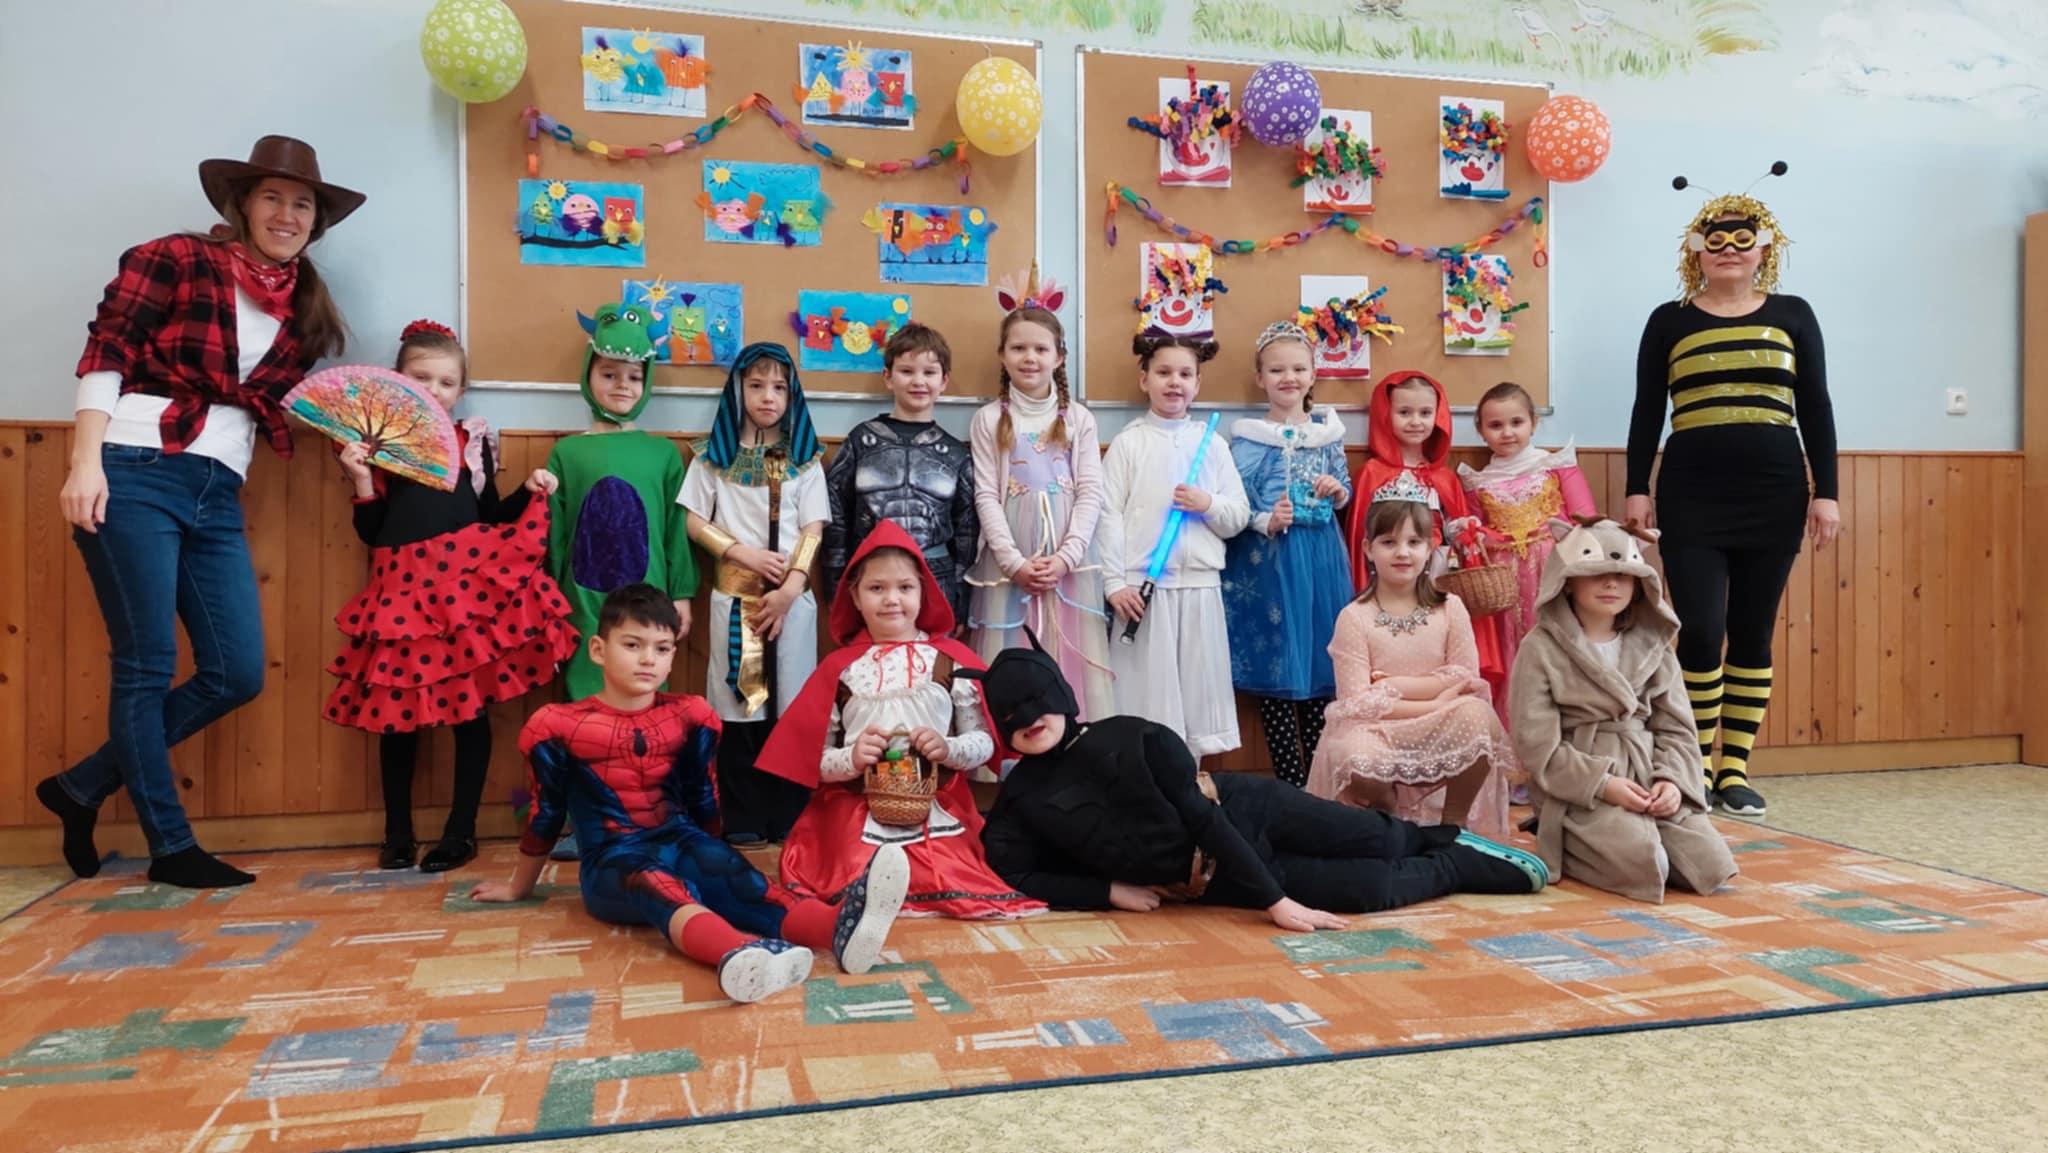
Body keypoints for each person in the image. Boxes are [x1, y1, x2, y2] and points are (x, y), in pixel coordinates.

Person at [40, 135, 363, 888]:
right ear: (242, 203)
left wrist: (356, 436)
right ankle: (170, 846)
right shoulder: (177, 257)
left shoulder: (305, 301)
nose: (286, 214)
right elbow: (107, 351)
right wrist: (84, 462)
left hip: (217, 488)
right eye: (272, 197)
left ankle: (82, 785)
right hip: (134, 468)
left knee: (236, 671)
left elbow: (279, 401)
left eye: (302, 204)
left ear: (315, 222)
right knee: (146, 664)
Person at [469, 584, 911, 1002]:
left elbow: (703, 797)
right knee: (658, 883)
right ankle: (737, 953)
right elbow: (546, 813)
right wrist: (519, 887)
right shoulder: (555, 725)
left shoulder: (690, 714)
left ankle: (837, 928)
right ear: (599, 650)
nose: (648, 659)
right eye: (632, 645)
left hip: (678, 841)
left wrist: (711, 859)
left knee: (730, 872)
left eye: (662, 649)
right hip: (611, 864)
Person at [972, 634, 1549, 927]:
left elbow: (1202, 817)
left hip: (1245, 811)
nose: (1029, 719)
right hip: (1211, 880)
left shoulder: (1133, 736)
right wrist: (1106, 892)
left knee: (1379, 839)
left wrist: (1276, 903)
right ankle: (1456, 864)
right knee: (1371, 890)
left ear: (1061, 695)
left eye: (1036, 701)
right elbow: (1014, 871)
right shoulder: (1020, 800)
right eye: (1011, 714)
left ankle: (1436, 837)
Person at [1625, 175, 1839, 818]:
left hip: (1775, 490)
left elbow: (1817, 405)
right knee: (1700, 630)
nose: (1728, 250)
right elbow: (1647, 407)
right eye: (1714, 239)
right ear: (1695, 249)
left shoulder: (1794, 314)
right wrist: (1636, 487)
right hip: (1691, 492)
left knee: (1752, 629)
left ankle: (1734, 770)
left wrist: (1826, 492)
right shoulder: (1669, 319)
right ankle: (1690, 765)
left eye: (1742, 239)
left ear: (1763, 248)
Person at [326, 320, 575, 872]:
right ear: (397, 380)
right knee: (397, 714)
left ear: (461, 390)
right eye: (421, 378)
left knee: (469, 711)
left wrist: (527, 491)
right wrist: (362, 481)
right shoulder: (377, 444)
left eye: (445, 382)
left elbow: (488, 518)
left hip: (461, 593)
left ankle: (461, 831)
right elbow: (373, 532)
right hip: (400, 592)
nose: (433, 391)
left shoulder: (472, 442)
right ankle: (397, 832)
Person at [756, 521, 1046, 920]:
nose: (892, 599)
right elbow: (816, 760)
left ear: (923, 593)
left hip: (936, 801)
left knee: (943, 867)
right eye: (876, 588)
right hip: (856, 803)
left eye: (905, 587)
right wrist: (852, 758)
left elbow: (984, 741)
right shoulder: (841, 669)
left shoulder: (951, 661)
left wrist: (948, 749)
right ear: (854, 596)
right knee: (853, 865)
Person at [1508, 518, 1738, 903]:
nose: (1611, 584)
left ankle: (1648, 826)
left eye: (1622, 575)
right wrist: (1604, 785)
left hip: (1648, 774)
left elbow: (1677, 728)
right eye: (1596, 574)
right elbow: (1536, 744)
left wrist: (1672, 782)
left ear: (1638, 584)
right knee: (1647, 861)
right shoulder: (1540, 648)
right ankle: (1563, 838)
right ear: (1568, 580)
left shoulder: (1654, 644)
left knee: (1710, 862)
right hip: (1581, 787)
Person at [678, 342, 825, 842]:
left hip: (792, 602)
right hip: (736, 599)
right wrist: (742, 554)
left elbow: (813, 530)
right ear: (737, 390)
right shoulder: (712, 458)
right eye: (757, 385)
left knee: (791, 707)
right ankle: (742, 817)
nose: (768, 397)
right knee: (741, 707)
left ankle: (788, 816)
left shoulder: (806, 460)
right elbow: (694, 521)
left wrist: (790, 588)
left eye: (779, 387)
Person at [1307, 491, 1515, 838]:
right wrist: (1435, 700)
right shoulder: (1354, 617)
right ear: (1368, 549)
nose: (1402, 552)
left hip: (1440, 721)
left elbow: (1464, 677)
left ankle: (1453, 825)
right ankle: (1392, 818)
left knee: (1479, 715)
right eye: (1389, 542)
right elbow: (1356, 703)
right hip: (1378, 729)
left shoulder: (1450, 607)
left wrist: (1393, 686)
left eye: (1414, 542)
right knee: (1357, 757)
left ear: (1430, 548)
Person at [965, 270, 1114, 726]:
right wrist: (1013, 562)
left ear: (1059, 356)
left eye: (1040, 349)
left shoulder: (1079, 419)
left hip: (1070, 564)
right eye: (1018, 348)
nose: (1029, 357)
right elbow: (986, 496)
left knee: (1068, 655)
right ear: (1002, 355)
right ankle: (1012, 753)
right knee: (1014, 654)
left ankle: (1071, 748)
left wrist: (1067, 558)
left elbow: (1090, 492)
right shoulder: (988, 420)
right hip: (1011, 562)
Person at [533, 300, 696, 703]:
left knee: (644, 693)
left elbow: (675, 529)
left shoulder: (663, 454)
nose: (622, 385)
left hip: (650, 597)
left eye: (634, 377)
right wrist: (551, 600)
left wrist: (681, 594)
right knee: (588, 696)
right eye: (609, 374)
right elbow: (554, 536)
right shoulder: (566, 454)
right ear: (588, 376)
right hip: (582, 601)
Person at [1098, 334, 1250, 759]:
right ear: (1144, 379)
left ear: (1197, 383)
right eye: (1163, 372)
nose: (1174, 382)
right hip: (1142, 592)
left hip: (1200, 588)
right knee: (1145, 699)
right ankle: (1140, 785)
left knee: (1196, 703)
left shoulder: (1212, 444)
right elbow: (1106, 516)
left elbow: (1238, 515)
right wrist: (1114, 584)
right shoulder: (1130, 443)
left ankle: (1186, 783)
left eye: (1185, 374)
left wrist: (1208, 504)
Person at [1222, 322, 1351, 787]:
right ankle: (1289, 785)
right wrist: (1266, 518)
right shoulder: (1249, 439)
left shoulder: (1327, 434)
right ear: (1260, 378)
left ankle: (1318, 785)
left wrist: (1336, 490)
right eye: (1277, 370)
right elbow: (1235, 501)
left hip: (1321, 559)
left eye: (1298, 369)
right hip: (1272, 561)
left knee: (1319, 660)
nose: (1288, 378)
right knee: (1279, 663)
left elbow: (1344, 489)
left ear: (1313, 375)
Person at [1343, 369, 1504, 696]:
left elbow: (1454, 528)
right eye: (1405, 412)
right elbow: (1362, 536)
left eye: (1425, 413)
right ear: (1386, 415)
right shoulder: (1371, 473)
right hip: (1390, 578)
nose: (1415, 421)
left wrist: (1463, 530)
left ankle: (1436, 694)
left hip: (1437, 574)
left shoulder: (1444, 478)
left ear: (1438, 417)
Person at [1457, 381, 1597, 734]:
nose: (1507, 432)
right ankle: (1517, 743)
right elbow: (1475, 530)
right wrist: (1473, 533)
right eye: (1495, 425)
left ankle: (1568, 739)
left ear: (1534, 423)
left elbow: (1585, 519)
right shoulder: (1478, 481)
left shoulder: (1556, 465)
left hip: (1553, 573)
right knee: (1513, 653)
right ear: (1480, 430)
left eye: (1516, 422)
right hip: (1504, 586)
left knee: (1559, 647)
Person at [821, 322, 978, 631]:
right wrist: (835, 583)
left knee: (930, 661)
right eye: (906, 371)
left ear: (944, 380)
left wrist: (961, 601)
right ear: (888, 377)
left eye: (929, 372)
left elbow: (967, 533)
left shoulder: (956, 454)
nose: (918, 381)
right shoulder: (861, 442)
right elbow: (835, 517)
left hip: (938, 581)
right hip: (872, 579)